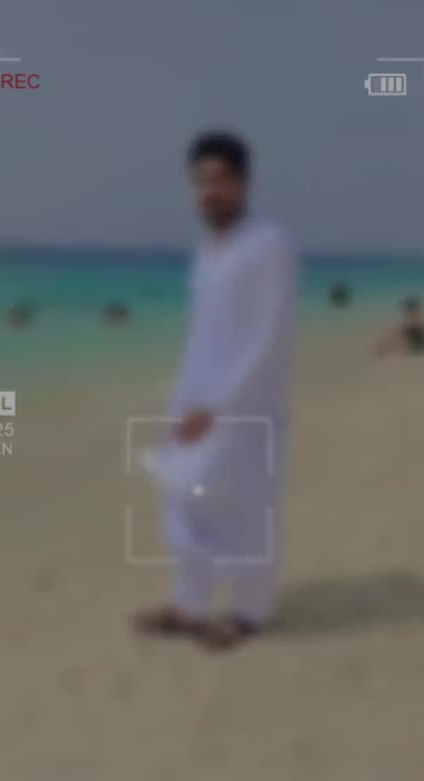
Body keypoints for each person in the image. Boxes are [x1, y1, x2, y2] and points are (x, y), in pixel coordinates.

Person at [133, 131, 296, 650]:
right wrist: (181, 399)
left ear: (244, 183)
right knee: (183, 500)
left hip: (249, 405)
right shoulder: (206, 253)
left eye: (222, 180)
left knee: (245, 508)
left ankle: (250, 613)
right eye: (202, 182)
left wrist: (222, 406)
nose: (211, 192)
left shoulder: (267, 245)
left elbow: (268, 335)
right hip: (195, 402)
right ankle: (190, 605)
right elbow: (202, 334)